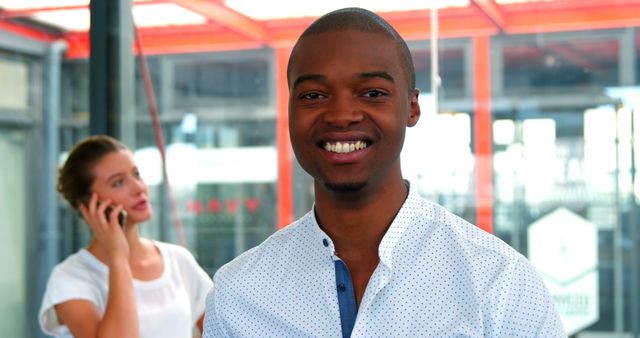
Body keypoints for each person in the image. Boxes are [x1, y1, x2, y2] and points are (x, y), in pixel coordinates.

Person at [203, 7, 565, 338]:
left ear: (411, 108)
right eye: (313, 96)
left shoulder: (497, 282)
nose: (341, 115)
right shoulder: (238, 294)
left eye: (372, 92)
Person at [39, 135, 213, 338]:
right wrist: (118, 257)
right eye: (118, 182)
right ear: (88, 206)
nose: (139, 188)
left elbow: (226, 327)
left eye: (136, 174)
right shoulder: (70, 277)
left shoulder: (178, 260)